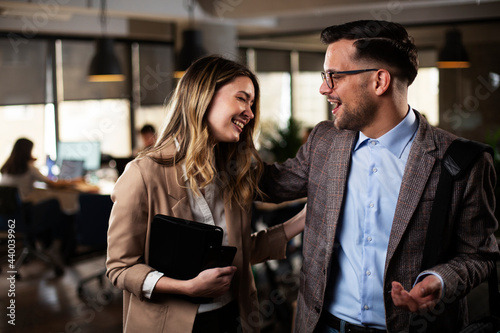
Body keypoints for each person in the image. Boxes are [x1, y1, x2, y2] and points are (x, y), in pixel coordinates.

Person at [259, 20, 499, 333]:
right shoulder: (324, 141)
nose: (323, 88)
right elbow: (268, 184)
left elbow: (480, 254)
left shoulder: (463, 161)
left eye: (334, 76)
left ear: (379, 81)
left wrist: (440, 281)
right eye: (323, 76)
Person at [106, 55, 306, 333]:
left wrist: (303, 219)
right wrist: (187, 287)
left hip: (232, 316)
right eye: (241, 98)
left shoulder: (233, 171)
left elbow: (239, 253)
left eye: (251, 104)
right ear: (203, 97)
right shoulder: (143, 174)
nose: (249, 113)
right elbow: (120, 269)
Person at [0, 138, 74, 268]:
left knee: (49, 211)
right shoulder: (29, 168)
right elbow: (52, 184)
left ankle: (44, 242)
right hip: (23, 216)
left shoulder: (5, 169)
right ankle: (52, 246)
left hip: (6, 219)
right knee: (56, 206)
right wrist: (74, 181)